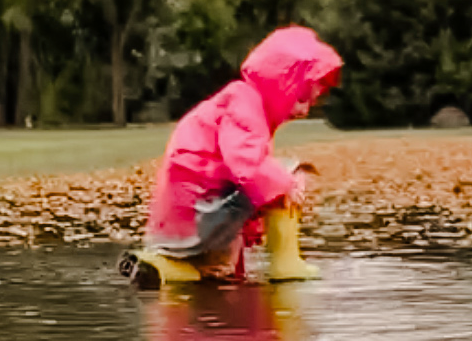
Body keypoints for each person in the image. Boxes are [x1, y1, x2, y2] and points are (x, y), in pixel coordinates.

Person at [121, 26, 342, 288]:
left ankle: (155, 268)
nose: (304, 110)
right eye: (302, 97)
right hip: (200, 210)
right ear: (283, 84)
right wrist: (285, 184)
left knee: (213, 270)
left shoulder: (241, 103)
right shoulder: (244, 102)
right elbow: (247, 166)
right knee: (289, 173)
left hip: (180, 219)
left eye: (311, 104)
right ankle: (286, 263)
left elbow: (235, 174)